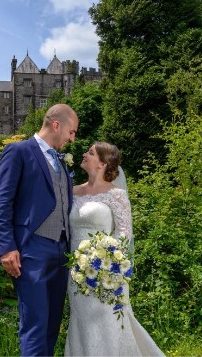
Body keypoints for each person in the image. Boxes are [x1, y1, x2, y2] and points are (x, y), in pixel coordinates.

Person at [0, 103, 79, 356]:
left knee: (52, 325)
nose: (72, 138)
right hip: (32, 250)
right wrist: (7, 247)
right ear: (56, 125)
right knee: (34, 325)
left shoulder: (61, 161)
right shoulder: (18, 151)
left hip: (61, 252)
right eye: (71, 132)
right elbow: (2, 201)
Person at [65, 141, 165, 356]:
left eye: (90, 153)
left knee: (108, 321)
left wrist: (105, 261)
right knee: (81, 321)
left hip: (106, 272)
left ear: (102, 163)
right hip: (76, 272)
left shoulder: (116, 194)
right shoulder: (72, 192)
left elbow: (123, 233)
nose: (84, 154)